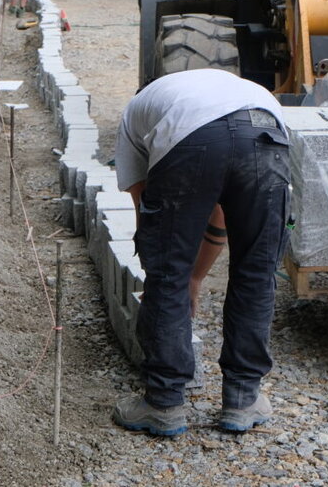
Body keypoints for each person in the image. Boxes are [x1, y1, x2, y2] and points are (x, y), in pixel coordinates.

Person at [112, 68, 290, 436]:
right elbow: (220, 213)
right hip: (265, 130)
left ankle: (162, 403)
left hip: (190, 138)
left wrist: (183, 277)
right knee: (257, 271)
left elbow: (150, 219)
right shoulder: (233, 87)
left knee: (165, 270)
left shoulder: (135, 115)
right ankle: (243, 398)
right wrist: (195, 277)